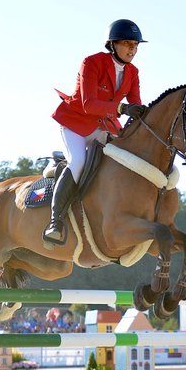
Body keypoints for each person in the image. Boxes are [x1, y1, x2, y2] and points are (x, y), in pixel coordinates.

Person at [43, 19, 147, 245]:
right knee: (78, 161)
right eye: (128, 43)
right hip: (77, 124)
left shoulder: (133, 72)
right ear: (112, 44)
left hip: (105, 127)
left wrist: (146, 116)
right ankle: (55, 222)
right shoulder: (92, 62)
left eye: (136, 45)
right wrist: (121, 108)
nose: (133, 49)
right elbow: (89, 104)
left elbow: (135, 105)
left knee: (123, 161)